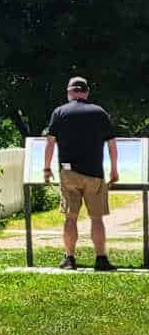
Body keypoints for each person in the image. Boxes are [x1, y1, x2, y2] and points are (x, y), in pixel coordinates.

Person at [44, 76, 119, 271]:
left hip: (69, 173)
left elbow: (50, 142)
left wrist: (46, 168)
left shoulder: (59, 112)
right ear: (86, 92)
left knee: (71, 217)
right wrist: (114, 170)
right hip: (94, 173)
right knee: (96, 218)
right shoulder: (99, 112)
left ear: (69, 92)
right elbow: (111, 144)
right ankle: (101, 259)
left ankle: (69, 259)